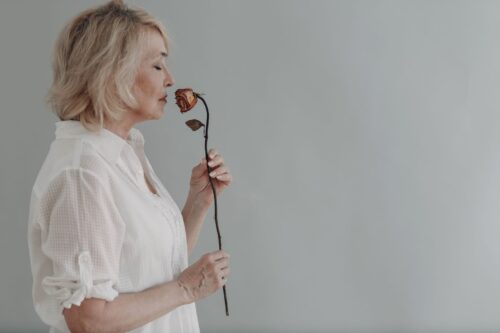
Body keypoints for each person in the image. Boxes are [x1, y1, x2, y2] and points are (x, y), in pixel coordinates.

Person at [27, 1, 233, 332]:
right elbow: (88, 319)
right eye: (157, 65)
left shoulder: (122, 151)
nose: (171, 79)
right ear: (112, 72)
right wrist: (185, 288)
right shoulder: (83, 172)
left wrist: (198, 201)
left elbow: (146, 267)